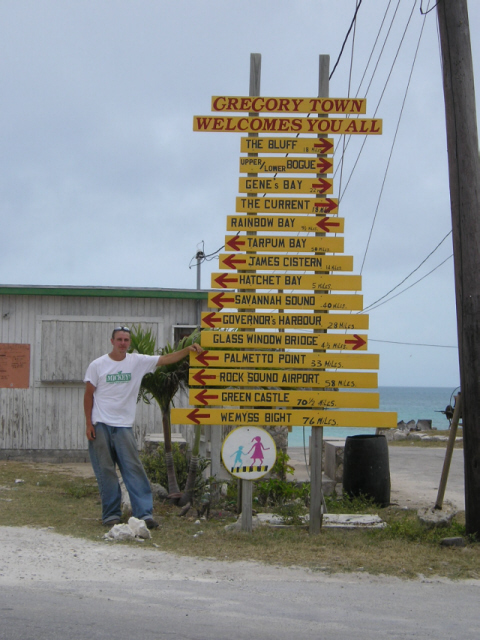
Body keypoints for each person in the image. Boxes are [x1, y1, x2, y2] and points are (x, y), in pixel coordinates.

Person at [84, 325, 203, 528]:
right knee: (106, 471)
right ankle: (111, 515)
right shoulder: (98, 365)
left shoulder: (137, 362)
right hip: (100, 424)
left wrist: (187, 350)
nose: (123, 343)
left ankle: (144, 515)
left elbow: (165, 359)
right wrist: (88, 423)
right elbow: (88, 394)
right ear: (112, 341)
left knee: (133, 469)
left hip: (123, 426)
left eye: (126, 340)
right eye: (119, 339)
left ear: (129, 343)